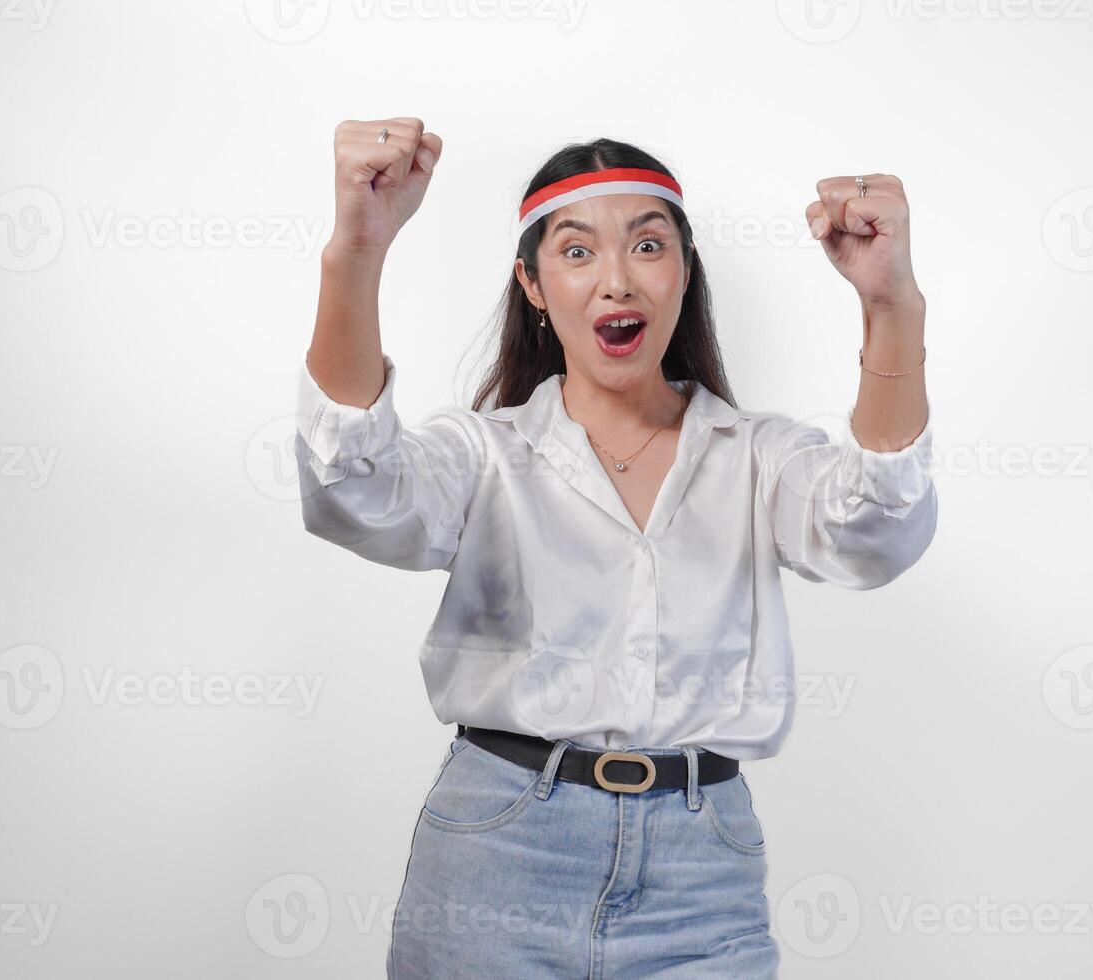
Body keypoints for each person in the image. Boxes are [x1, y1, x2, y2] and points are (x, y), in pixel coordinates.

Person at [295, 116, 937, 978]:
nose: (616, 283)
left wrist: (891, 304)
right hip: (500, 852)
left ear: (682, 272)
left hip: (701, 873)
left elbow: (877, 530)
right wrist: (356, 251)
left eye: (647, 244)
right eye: (576, 252)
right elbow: (352, 486)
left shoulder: (759, 457)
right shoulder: (485, 455)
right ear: (532, 283)